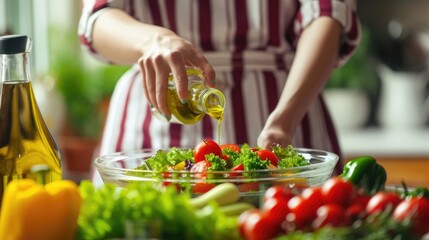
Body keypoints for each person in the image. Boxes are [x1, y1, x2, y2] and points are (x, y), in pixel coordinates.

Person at [78, 0, 361, 184]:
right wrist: (154, 40)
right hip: (155, 114)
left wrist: (283, 122)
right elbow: (97, 17)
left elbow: (328, 12)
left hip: (288, 109)